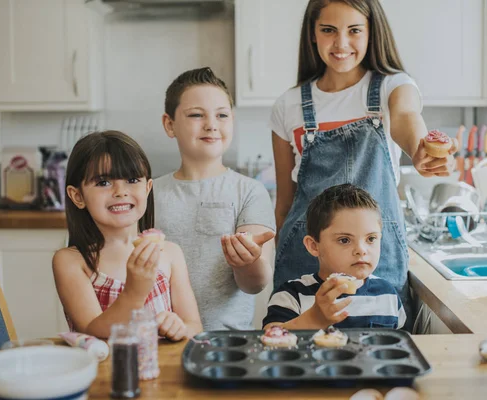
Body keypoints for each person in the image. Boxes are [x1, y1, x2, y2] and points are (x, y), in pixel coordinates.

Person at [270, 0, 457, 323]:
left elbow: (406, 118)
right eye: (328, 30)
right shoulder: (288, 105)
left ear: (372, 33)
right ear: (312, 35)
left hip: (374, 259)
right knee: (300, 356)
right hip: (305, 261)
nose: (341, 44)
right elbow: (285, 205)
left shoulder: (392, 86)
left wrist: (420, 150)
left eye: (354, 31)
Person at [154, 67, 276, 331]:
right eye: (197, 115)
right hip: (158, 339)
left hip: (227, 345)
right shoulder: (149, 193)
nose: (211, 124)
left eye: (222, 115)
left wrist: (248, 261)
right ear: (169, 124)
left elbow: (255, 283)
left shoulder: (250, 192)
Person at [53, 130, 202, 340]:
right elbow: (92, 331)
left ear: (148, 188)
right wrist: (135, 292)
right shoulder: (71, 261)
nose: (120, 191)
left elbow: (194, 325)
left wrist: (180, 328)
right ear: (77, 196)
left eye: (132, 179)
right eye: (103, 182)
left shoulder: (170, 253)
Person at [264, 184, 406, 330]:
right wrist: (313, 319)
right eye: (344, 240)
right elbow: (268, 342)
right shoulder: (291, 295)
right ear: (313, 246)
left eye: (371, 239)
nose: (361, 250)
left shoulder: (389, 295)